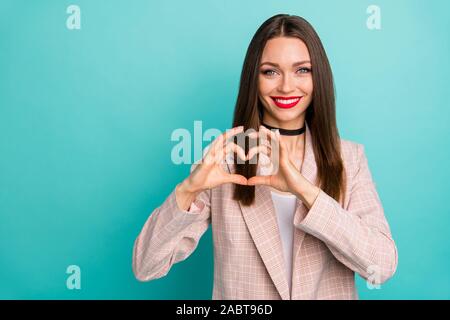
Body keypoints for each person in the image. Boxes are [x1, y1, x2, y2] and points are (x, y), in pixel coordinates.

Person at [132, 14, 398, 300]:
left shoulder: (350, 158)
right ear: (253, 79)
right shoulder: (224, 160)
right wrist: (188, 189)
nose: (286, 87)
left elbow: (381, 266)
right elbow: (146, 267)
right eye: (270, 71)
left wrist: (306, 192)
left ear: (318, 76)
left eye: (302, 70)